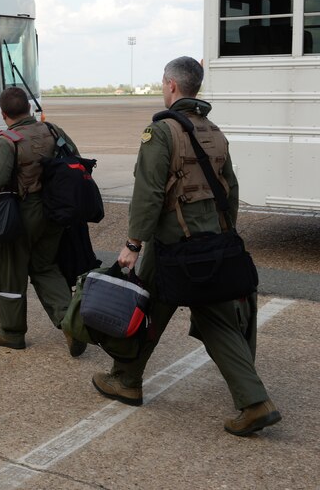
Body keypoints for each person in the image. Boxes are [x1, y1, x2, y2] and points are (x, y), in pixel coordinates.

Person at [91, 56, 281, 437]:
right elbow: (231, 188)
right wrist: (223, 231)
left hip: (173, 247)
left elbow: (148, 193)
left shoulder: (161, 132)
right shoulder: (213, 130)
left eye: (163, 84)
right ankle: (130, 378)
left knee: (157, 309)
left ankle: (131, 380)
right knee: (196, 315)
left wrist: (132, 243)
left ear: (171, 86)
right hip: (211, 241)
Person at [0, 87, 85, 356]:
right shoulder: (52, 130)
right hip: (55, 210)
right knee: (45, 267)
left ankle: (12, 332)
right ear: (29, 108)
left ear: (4, 114)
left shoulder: (9, 140)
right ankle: (71, 323)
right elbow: (75, 157)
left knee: (12, 271)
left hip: (24, 212)